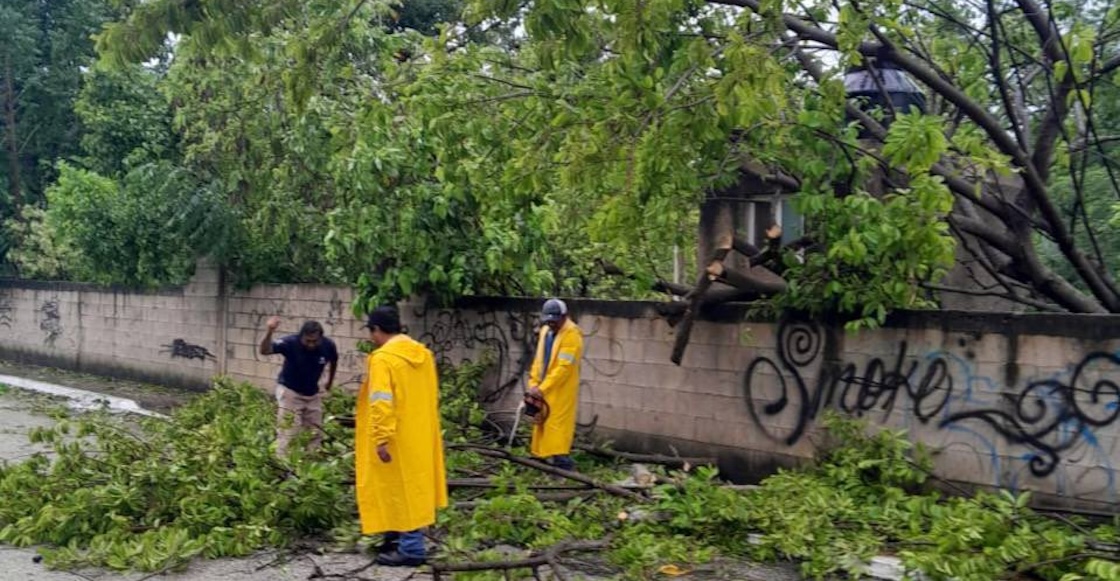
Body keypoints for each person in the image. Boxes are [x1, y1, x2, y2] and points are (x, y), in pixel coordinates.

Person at [355, 306, 448, 567]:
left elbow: (381, 401)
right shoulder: (423, 355)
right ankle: (394, 535)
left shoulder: (383, 359)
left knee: (398, 488)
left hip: (394, 435)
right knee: (412, 487)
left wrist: (381, 437)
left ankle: (411, 548)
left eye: (371, 332)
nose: (371, 338)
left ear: (376, 330)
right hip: (419, 433)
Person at [259, 316, 338, 456]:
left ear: (320, 338)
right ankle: (285, 467)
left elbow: (334, 360)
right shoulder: (289, 343)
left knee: (315, 433)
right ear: (301, 336)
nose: (311, 344)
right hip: (290, 392)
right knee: (289, 432)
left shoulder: (328, 345)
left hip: (312, 393)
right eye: (308, 341)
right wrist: (270, 331)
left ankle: (310, 468)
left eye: (315, 341)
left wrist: (329, 382)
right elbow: (264, 351)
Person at [526, 298, 584, 471]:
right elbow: (538, 360)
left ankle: (564, 467)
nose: (551, 323)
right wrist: (534, 384)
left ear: (564, 316)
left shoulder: (572, 335)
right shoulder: (545, 332)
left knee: (557, 427)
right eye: (548, 320)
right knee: (540, 422)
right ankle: (542, 460)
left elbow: (564, 368)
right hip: (543, 388)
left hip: (560, 390)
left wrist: (542, 388)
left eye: (555, 320)